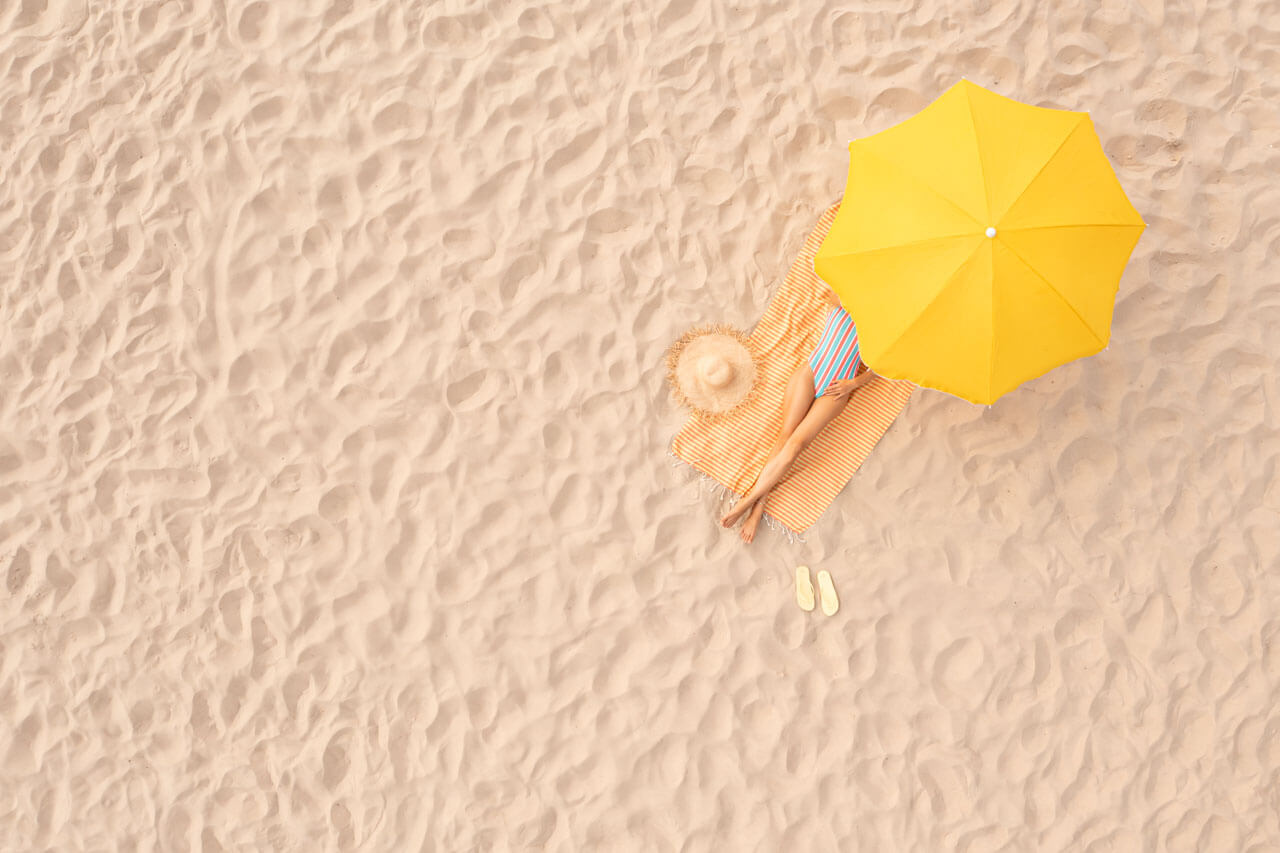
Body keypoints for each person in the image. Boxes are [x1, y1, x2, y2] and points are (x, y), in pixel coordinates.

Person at [720, 287, 874, 542]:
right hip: (812, 371)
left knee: (795, 446)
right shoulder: (842, 294)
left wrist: (854, 384)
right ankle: (757, 506)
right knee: (785, 435)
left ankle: (749, 503)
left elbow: (882, 367)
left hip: (838, 388)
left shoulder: (883, 326)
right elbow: (831, 293)